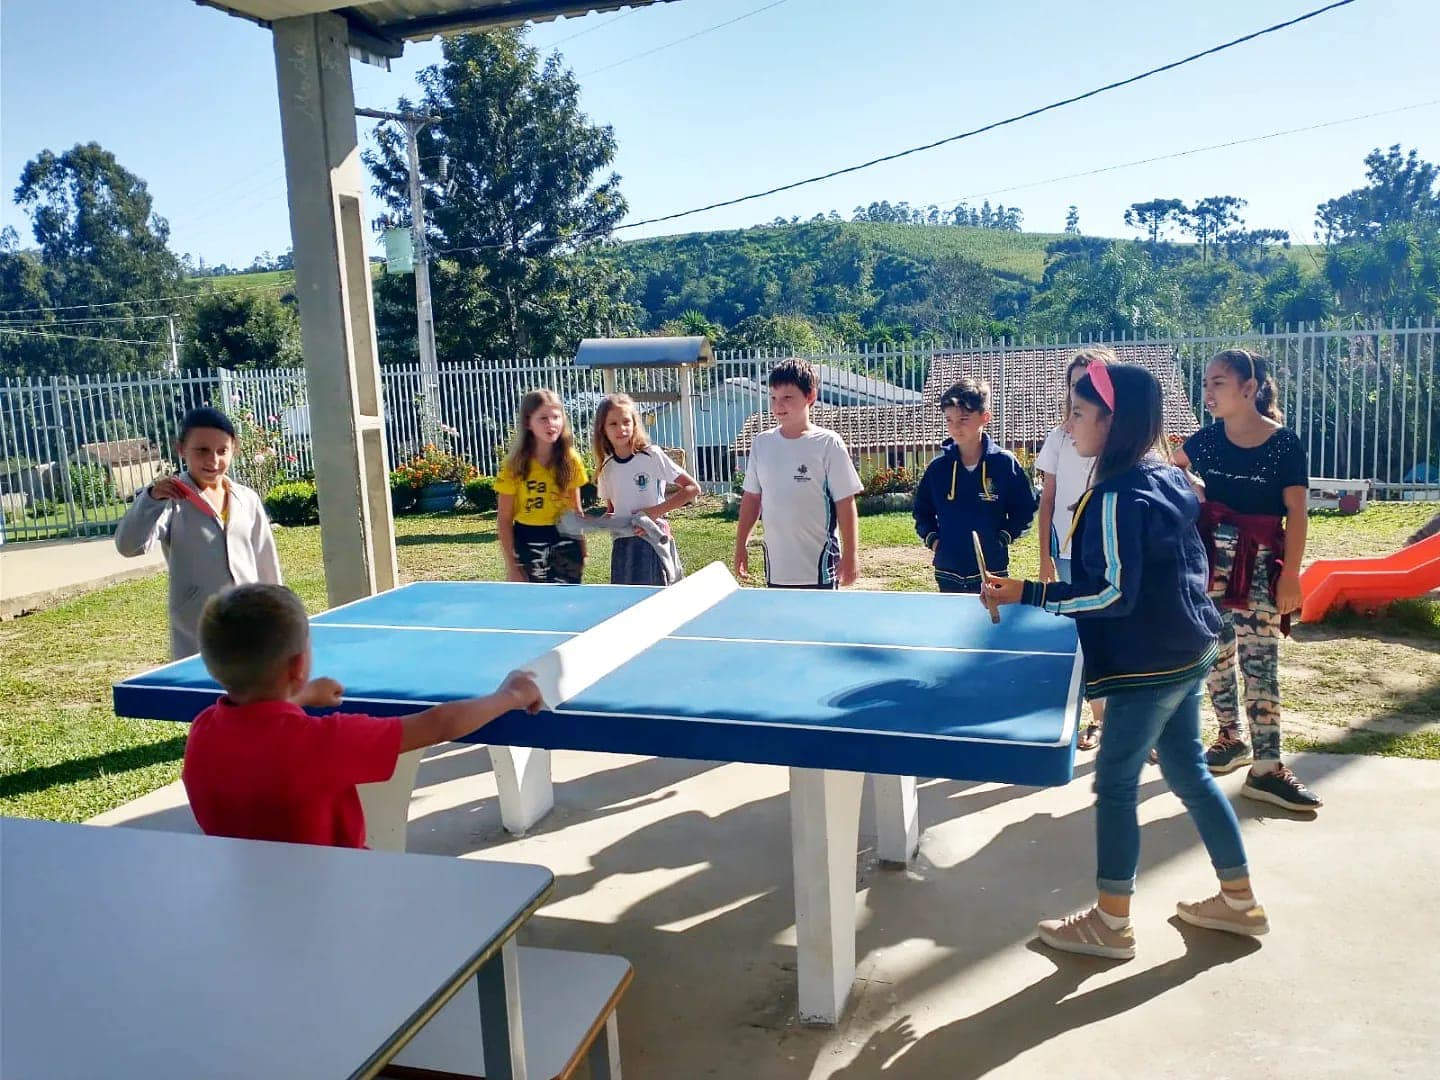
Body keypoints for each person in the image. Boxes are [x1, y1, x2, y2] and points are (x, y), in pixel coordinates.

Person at [984, 361, 1268, 959]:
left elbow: (1111, 593)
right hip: (1188, 649)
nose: (1068, 423)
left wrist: (1025, 592)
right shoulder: (1165, 476)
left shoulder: (1114, 496)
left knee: (1115, 787)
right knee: (1188, 772)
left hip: (1148, 666)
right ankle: (1240, 902)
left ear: (1113, 423)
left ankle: (1111, 924)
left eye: (1079, 412)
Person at [182, 583, 542, 848]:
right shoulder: (324, 743)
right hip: (336, 899)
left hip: (247, 894)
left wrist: (301, 694)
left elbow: (258, 729)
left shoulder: (204, 731)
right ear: (299, 666)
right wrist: (510, 696)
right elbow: (439, 724)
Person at [1173, 349, 1321, 813]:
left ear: (1249, 389)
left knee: (1260, 662)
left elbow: (1296, 513)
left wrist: (1291, 576)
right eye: (1206, 383)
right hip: (1208, 564)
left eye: (1218, 382)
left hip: (1260, 567)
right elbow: (1173, 467)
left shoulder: (1284, 445)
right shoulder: (1205, 441)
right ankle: (1229, 738)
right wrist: (1194, 489)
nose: (1208, 392)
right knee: (1216, 654)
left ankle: (1267, 768)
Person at [114, 405, 281, 659]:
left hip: (251, 630)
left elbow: (265, 562)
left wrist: (278, 618)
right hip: (198, 635)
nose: (213, 461)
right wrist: (151, 499)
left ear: (234, 449)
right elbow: (129, 546)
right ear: (181, 448)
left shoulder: (247, 499)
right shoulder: (171, 499)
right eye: (202, 450)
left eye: (222, 451)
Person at [733, 358, 864, 589]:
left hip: (819, 567)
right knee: (782, 624)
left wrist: (851, 555)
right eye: (773, 398)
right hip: (777, 568)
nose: (778, 405)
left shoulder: (828, 443)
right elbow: (752, 498)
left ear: (810, 396)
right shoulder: (762, 443)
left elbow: (845, 502)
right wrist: (741, 544)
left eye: (787, 397)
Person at [1036, 350, 1109, 749]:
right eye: (1075, 383)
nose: (1080, 391)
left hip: (1112, 553)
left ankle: (1135, 726)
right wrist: (1045, 556)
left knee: (1120, 632)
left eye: (1090, 382)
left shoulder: (1122, 439)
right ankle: (1098, 719)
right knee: (1087, 634)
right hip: (1068, 553)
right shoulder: (1059, 437)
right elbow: (1047, 498)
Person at [912, 377, 1034, 594]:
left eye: (964, 419)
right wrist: (934, 542)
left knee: (988, 625)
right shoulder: (938, 469)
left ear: (985, 417)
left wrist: (1002, 539)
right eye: (949, 420)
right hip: (948, 571)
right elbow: (922, 512)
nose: (955, 427)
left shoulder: (1004, 464)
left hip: (992, 570)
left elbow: (1024, 511)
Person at [591, 393, 700, 585]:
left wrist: (652, 514)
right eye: (613, 424)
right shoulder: (606, 467)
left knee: (659, 604)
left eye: (626, 421)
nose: (621, 428)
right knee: (626, 606)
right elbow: (612, 511)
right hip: (624, 547)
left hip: (653, 543)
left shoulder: (651, 455)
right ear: (603, 429)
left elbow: (692, 488)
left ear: (634, 423)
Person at [496, 389, 589, 584]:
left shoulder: (571, 460)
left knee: (565, 602)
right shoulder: (515, 465)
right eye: (543, 418)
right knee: (533, 604)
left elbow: (575, 509)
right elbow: (504, 519)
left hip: (565, 539)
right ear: (528, 422)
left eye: (556, 416)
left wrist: (581, 545)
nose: (551, 423)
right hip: (528, 539)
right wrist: (513, 567)